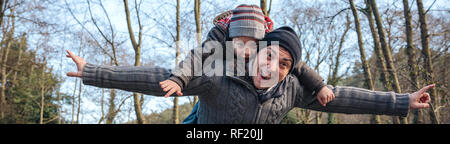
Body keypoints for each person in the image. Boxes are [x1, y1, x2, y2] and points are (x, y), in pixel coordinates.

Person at [66, 26, 433, 124]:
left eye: (285, 65)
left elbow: (343, 97)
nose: (273, 67)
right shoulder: (218, 72)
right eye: (269, 55)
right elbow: (158, 77)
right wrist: (93, 72)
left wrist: (401, 101)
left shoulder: (290, 90)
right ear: (256, 53)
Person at [158, 4, 334, 124]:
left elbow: (299, 66)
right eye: (240, 44)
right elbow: (197, 56)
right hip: (218, 85)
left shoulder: (271, 47)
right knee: (197, 113)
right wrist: (178, 79)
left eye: (254, 45)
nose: (247, 51)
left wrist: (320, 86)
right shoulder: (219, 37)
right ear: (231, 38)